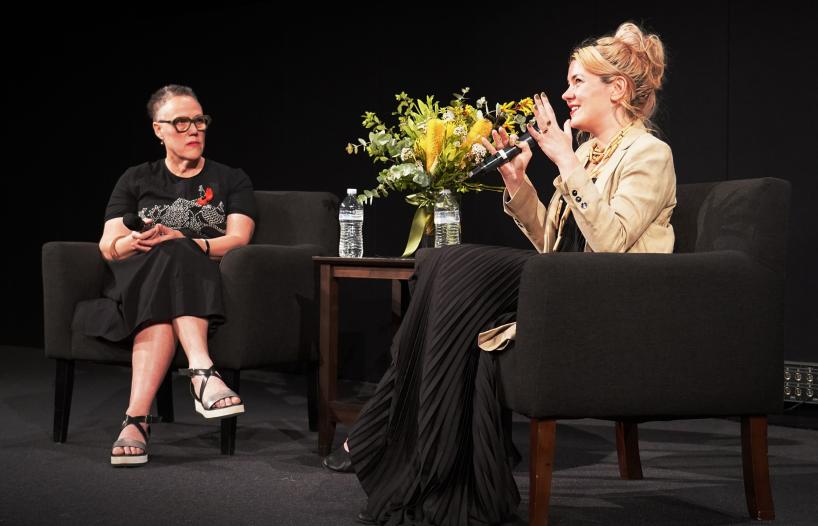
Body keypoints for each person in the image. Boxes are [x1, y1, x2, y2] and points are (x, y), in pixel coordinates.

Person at [324, 21, 676, 525]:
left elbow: (611, 245)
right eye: (568, 82)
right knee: (437, 262)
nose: (566, 94)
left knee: (454, 262)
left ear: (616, 89)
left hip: (606, 301)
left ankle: (385, 437)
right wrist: (519, 184)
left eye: (577, 82)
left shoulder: (648, 153)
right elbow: (552, 245)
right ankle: (428, 464)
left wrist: (564, 162)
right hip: (564, 285)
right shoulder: (586, 154)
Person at [72, 85, 258, 466]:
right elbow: (108, 244)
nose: (195, 130)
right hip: (138, 277)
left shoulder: (231, 179)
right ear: (159, 129)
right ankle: (202, 372)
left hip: (200, 280)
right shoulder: (136, 178)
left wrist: (187, 242)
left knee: (176, 252)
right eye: (182, 122)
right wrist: (130, 243)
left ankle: (136, 419)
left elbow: (238, 238)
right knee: (165, 256)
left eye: (200, 121)